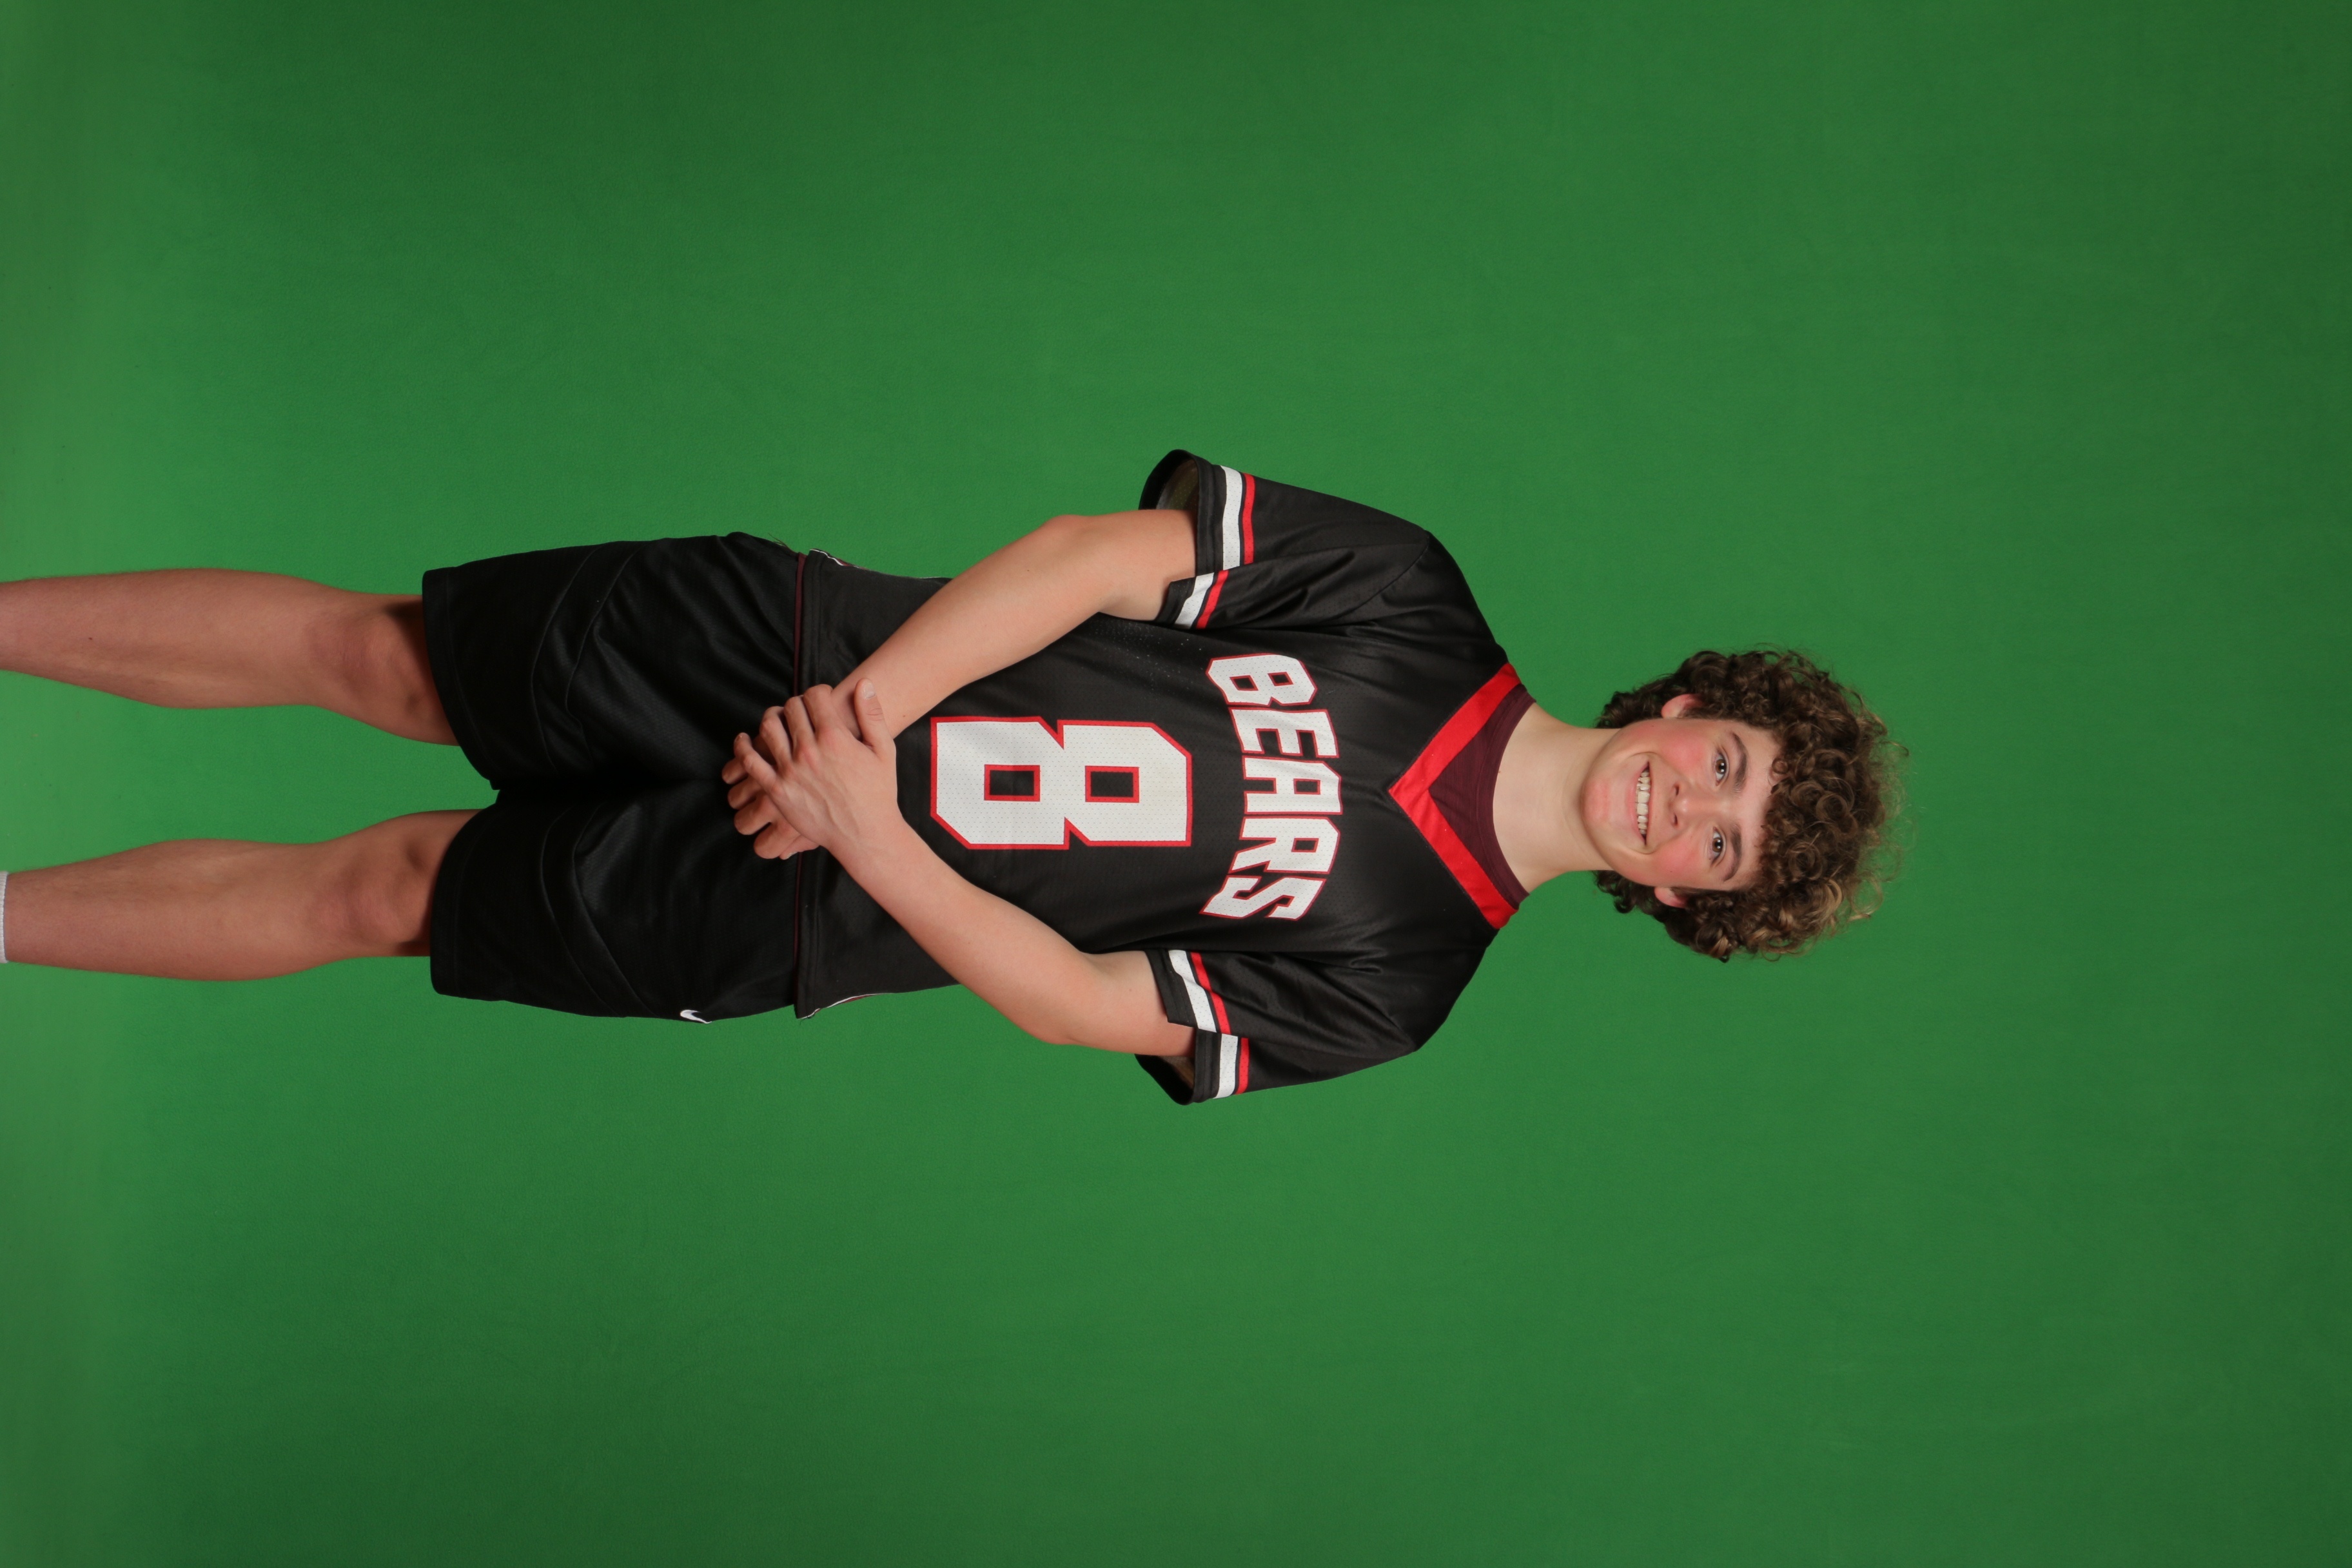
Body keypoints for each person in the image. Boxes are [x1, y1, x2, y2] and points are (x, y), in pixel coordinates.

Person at [0, 452, 1896, 1102]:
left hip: (807, 901)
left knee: (389, 891)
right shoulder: (1410, 596)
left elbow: (1084, 1005)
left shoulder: (1403, 982)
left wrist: (864, 826)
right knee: (385, 658)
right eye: (1723, 764)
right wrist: (865, 721)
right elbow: (1089, 558)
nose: (1692, 807)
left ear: (1685, 898)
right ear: (1687, 704)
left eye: (1725, 848)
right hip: (799, 653)